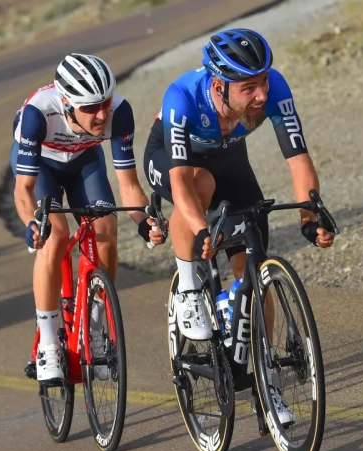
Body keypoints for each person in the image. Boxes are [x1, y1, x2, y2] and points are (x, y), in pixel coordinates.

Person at [142, 29, 335, 425]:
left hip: (229, 157)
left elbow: (298, 158)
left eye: (264, 81)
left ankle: (264, 383)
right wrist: (199, 232)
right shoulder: (182, 97)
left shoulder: (274, 89)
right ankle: (190, 292)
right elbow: (179, 184)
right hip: (172, 159)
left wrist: (309, 215)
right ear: (219, 86)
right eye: (249, 88)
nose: (262, 95)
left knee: (253, 265)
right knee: (200, 187)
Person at [11, 53, 165, 383]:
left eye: (105, 103)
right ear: (67, 104)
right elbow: (23, 190)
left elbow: (129, 184)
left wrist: (143, 221)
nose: (101, 114)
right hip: (43, 168)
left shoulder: (120, 112)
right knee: (55, 235)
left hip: (84, 160)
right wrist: (31, 224)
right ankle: (48, 343)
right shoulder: (38, 113)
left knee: (106, 228)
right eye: (90, 107)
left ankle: (95, 325)